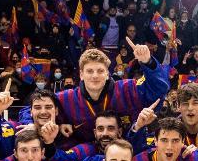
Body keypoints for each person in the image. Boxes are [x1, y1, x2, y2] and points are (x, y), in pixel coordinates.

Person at [15, 46, 170, 148]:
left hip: (125, 154)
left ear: (108, 74)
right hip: (85, 159)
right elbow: (31, 109)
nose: (95, 76)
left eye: (100, 71)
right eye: (89, 71)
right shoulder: (66, 98)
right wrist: (32, 124)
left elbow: (160, 87)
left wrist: (148, 62)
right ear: (81, 75)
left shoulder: (128, 88)